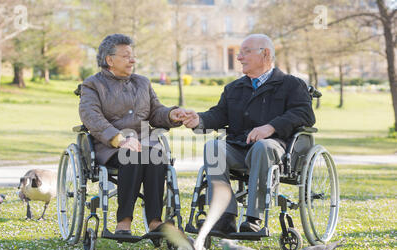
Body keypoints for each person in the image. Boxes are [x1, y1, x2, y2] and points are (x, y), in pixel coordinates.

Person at [182, 34, 316, 234]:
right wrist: (199, 120)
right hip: (239, 147)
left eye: (245, 52)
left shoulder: (291, 84)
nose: (239, 58)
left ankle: (253, 218)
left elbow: (304, 114)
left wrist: (270, 127)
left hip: (275, 148)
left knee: (263, 146)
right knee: (213, 147)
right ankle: (224, 217)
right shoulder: (234, 88)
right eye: (239, 53)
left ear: (266, 54)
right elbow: (219, 114)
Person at [79, 34, 186, 235]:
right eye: (126, 56)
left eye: (132, 55)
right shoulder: (93, 85)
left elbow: (155, 112)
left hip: (145, 142)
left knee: (156, 156)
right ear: (109, 60)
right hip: (111, 146)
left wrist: (172, 114)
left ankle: (155, 222)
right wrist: (119, 139)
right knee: (133, 154)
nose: (133, 60)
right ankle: (124, 221)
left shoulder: (142, 83)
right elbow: (91, 116)